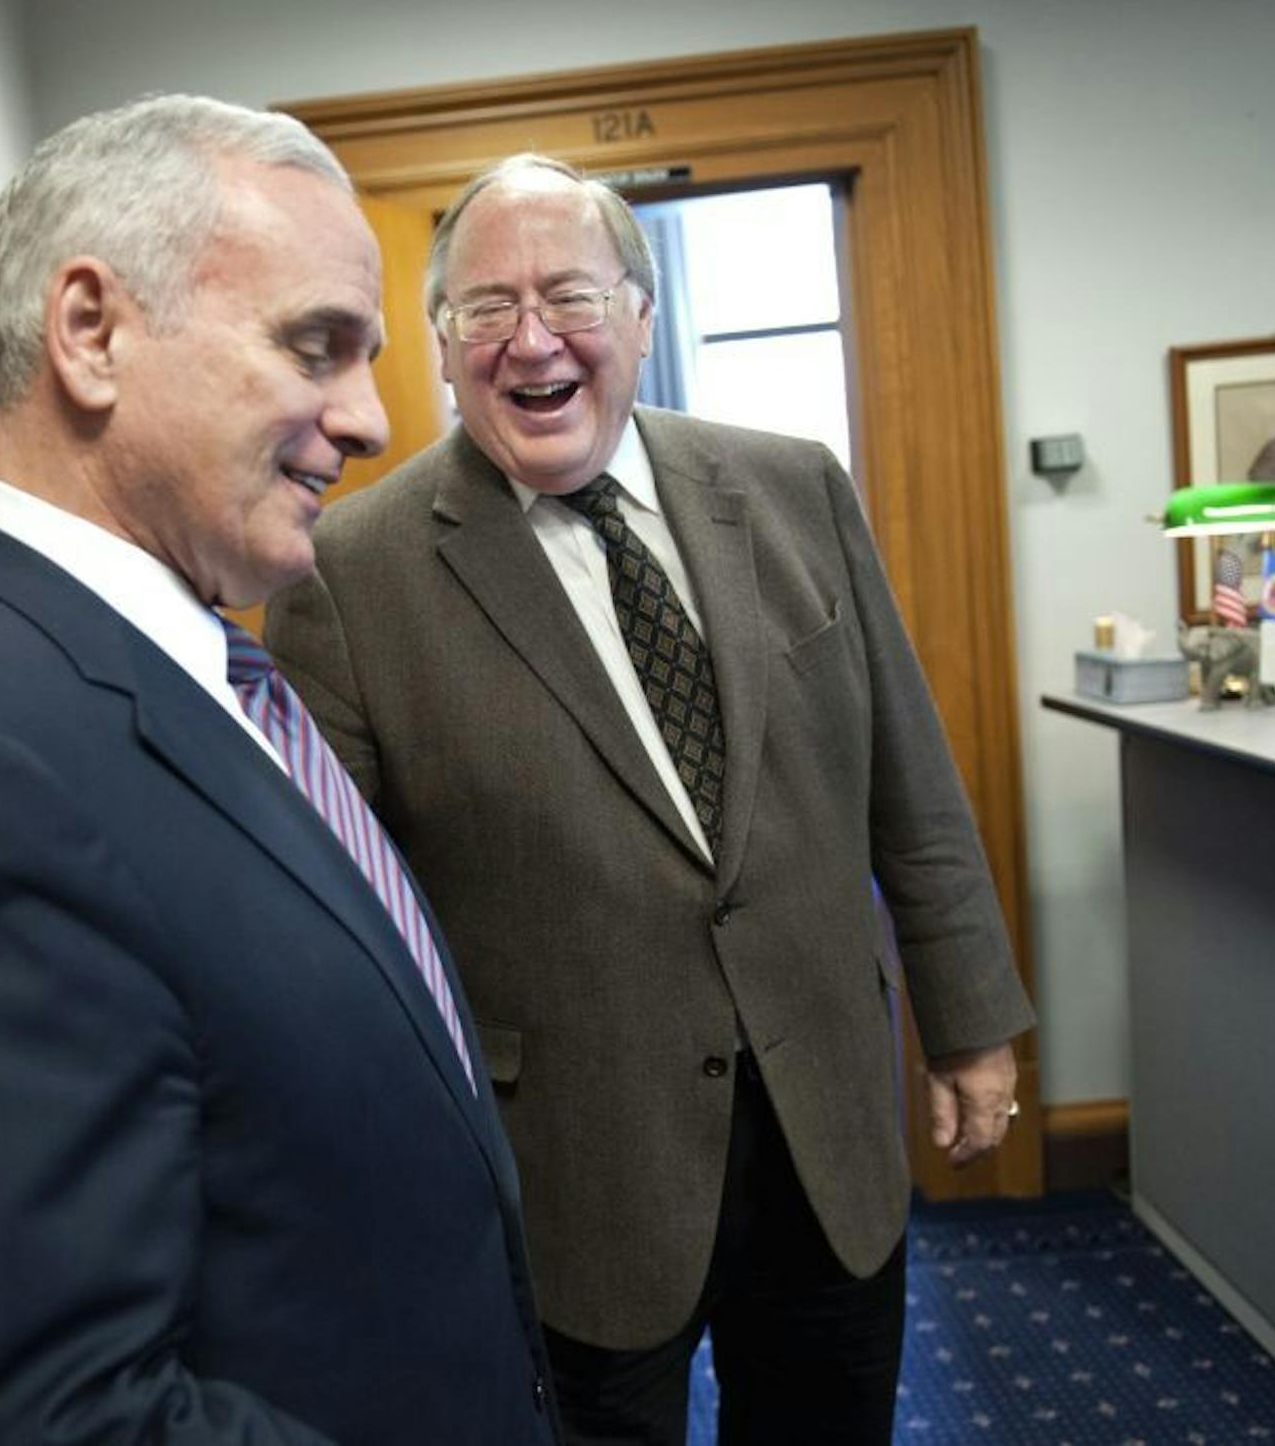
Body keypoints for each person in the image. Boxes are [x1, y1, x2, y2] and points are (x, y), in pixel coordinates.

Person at [0, 99, 559, 1446]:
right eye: (316, 347)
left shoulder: (196, 669)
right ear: (91, 332)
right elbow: (65, 1418)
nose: (368, 420)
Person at [264, 154, 1036, 1445]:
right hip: (574, 1169)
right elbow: (336, 926)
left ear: (640, 315)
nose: (532, 342)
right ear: (444, 350)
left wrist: (970, 1024)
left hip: (825, 1126)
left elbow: (908, 777)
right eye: (485, 312)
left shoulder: (794, 489)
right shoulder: (347, 572)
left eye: (568, 297)